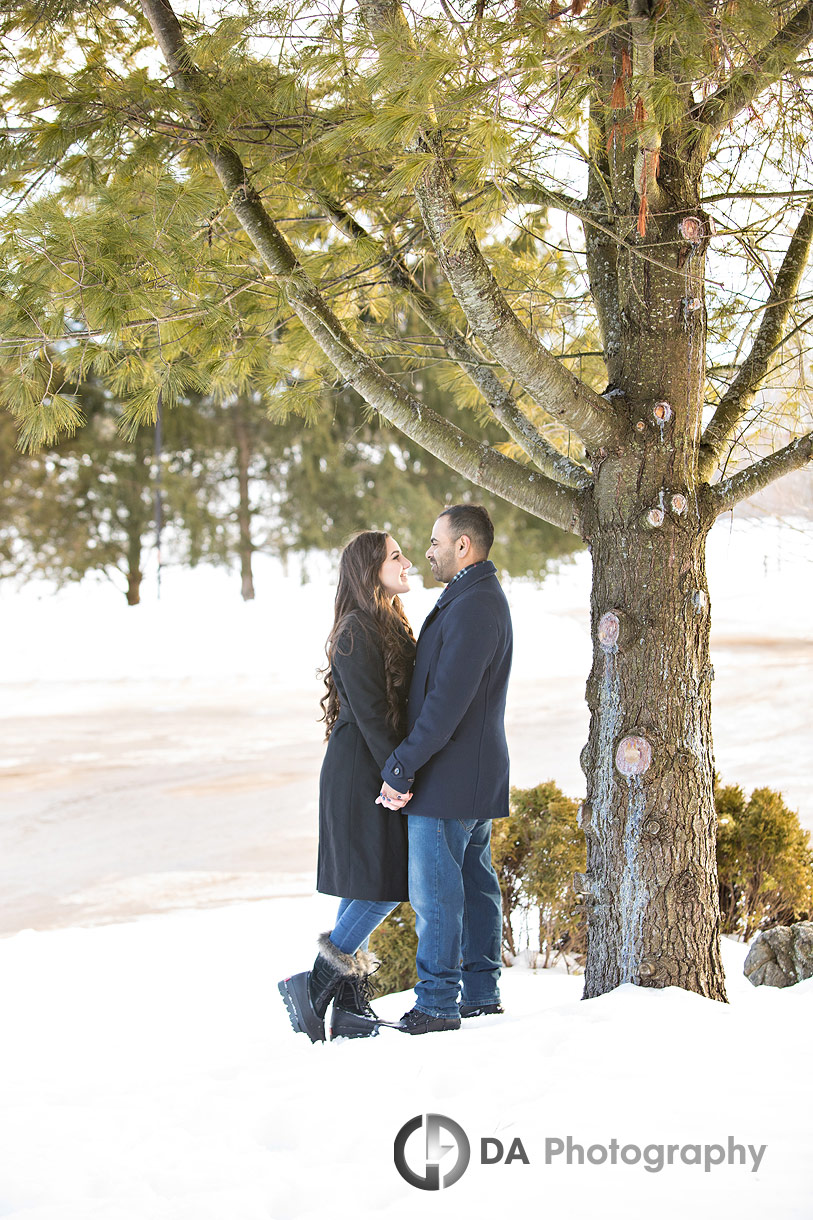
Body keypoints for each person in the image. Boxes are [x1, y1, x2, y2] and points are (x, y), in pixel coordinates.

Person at [378, 505, 512, 1035]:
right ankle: (481, 991)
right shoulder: (470, 598)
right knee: (475, 885)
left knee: (439, 894)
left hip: (450, 779)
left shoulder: (476, 605)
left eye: (435, 541)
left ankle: (437, 1003)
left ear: (463, 546)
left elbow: (445, 704)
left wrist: (402, 765)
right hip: (467, 776)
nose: (427, 551)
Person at [278, 531, 415, 1042]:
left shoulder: (387, 621)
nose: (406, 562)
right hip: (362, 772)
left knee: (365, 883)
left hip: (373, 765)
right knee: (383, 886)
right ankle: (311, 985)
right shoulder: (357, 629)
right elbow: (374, 716)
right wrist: (397, 776)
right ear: (369, 569)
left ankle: (352, 1008)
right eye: (395, 556)